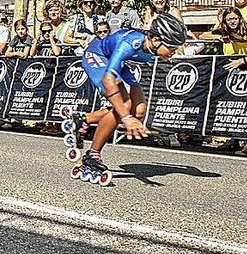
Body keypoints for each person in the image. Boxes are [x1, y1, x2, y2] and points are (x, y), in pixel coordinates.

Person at [71, 14, 188, 181]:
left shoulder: (151, 46)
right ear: (155, 40)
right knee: (124, 108)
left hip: (121, 62)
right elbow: (108, 79)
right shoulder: (130, 44)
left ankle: (84, 119)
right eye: (172, 47)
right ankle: (92, 155)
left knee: (139, 111)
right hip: (97, 55)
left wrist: (131, 117)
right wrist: (125, 118)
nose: (173, 52)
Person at [201, 6, 247, 157]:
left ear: (240, 18)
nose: (233, 22)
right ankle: (246, 142)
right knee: (242, 106)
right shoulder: (226, 30)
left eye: (235, 19)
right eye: (229, 19)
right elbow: (203, 36)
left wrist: (242, 60)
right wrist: (219, 33)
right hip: (240, 72)